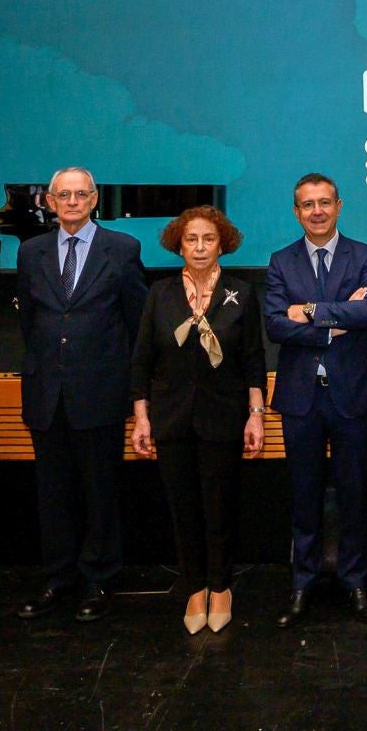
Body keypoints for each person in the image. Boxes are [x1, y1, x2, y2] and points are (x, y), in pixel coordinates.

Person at [14, 167, 147, 624]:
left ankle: (98, 578)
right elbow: (30, 322)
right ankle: (58, 576)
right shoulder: (30, 252)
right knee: (53, 494)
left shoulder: (123, 249)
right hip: (46, 391)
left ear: (94, 200)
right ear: (49, 202)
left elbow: (136, 323)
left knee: (99, 491)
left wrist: (134, 391)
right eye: (62, 195)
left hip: (101, 391)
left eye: (80, 194)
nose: (71, 202)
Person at [132, 205, 266, 634]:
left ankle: (221, 586)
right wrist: (141, 417)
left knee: (220, 506)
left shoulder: (241, 293)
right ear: (179, 244)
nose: (200, 246)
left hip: (224, 418)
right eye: (192, 239)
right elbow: (142, 361)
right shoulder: (160, 293)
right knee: (183, 509)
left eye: (209, 238)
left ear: (222, 242)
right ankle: (194, 587)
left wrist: (256, 416)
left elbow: (253, 360)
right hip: (170, 419)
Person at [265, 173, 367, 628]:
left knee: (354, 493)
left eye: (324, 203)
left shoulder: (365, 256)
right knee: (305, 496)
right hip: (300, 398)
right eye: (307, 204)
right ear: (296, 212)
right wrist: (339, 318)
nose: (316, 211)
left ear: (339, 205)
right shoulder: (280, 262)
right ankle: (303, 583)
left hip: (352, 395)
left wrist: (313, 312)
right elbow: (276, 325)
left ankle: (355, 583)